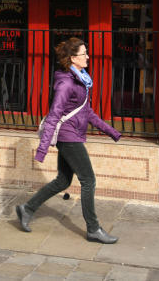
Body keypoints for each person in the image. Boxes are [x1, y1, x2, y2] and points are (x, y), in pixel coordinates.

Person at [15, 37, 121, 243]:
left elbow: (87, 112)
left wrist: (111, 131)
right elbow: (55, 114)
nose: (88, 56)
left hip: (72, 133)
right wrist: (42, 148)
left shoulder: (80, 79)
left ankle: (26, 209)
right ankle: (93, 228)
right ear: (73, 58)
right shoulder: (66, 83)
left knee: (63, 180)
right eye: (84, 53)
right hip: (68, 135)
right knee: (88, 180)